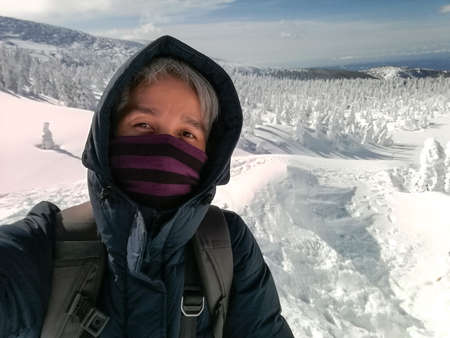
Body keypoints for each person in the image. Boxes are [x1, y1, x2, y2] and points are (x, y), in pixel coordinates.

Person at [0, 35, 294, 337]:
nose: (167, 147)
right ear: (108, 137)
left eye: (187, 134)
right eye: (143, 125)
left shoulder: (227, 242)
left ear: (209, 155)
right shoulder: (49, 243)